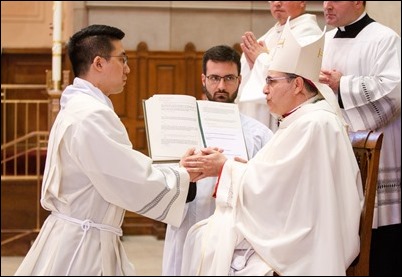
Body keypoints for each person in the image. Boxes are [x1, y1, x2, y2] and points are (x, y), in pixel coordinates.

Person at [180, 20, 364, 275]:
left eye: (271, 81)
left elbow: (278, 192)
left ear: (297, 85)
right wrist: (241, 168)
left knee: (206, 240)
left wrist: (226, 168)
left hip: (307, 244)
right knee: (203, 236)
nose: (264, 90)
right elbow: (281, 182)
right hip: (295, 232)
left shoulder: (314, 124)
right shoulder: (302, 119)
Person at [14, 24, 199, 276]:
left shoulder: (79, 107)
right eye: (122, 59)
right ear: (98, 63)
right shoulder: (90, 115)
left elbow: (121, 165)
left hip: (82, 234)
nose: (128, 68)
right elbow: (127, 177)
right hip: (82, 249)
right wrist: (184, 176)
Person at [162, 45, 273, 276]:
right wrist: (185, 176)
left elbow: (269, 185)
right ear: (203, 79)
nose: (221, 86)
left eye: (229, 78)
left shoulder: (259, 134)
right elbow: (163, 181)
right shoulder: (179, 127)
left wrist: (230, 170)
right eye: (214, 78)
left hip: (235, 241)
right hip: (186, 230)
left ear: (240, 80)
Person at [319, 1, 401, 275]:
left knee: (379, 243)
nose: (326, 5)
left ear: (358, 2)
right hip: (334, 150)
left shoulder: (384, 39)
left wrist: (343, 84)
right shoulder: (325, 39)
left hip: (378, 149)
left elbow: (394, 92)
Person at [237, 1, 323, 132]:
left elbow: (293, 79)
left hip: (285, 122)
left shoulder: (308, 33)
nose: (277, 3)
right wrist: (253, 66)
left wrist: (260, 59)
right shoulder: (270, 34)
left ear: (302, 2)